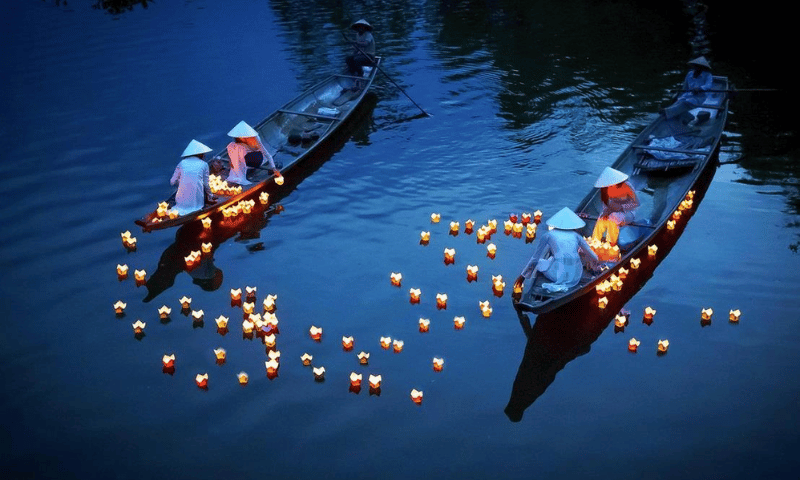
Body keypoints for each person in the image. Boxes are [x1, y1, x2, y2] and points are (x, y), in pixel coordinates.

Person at [514, 207, 600, 293]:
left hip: (557, 275)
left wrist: (522, 277)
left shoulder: (548, 235)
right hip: (575, 276)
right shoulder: (576, 236)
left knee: (540, 262)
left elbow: (535, 258)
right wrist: (595, 264)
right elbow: (594, 256)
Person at [591, 167, 639, 245]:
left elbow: (636, 203)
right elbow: (606, 205)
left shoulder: (626, 186)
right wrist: (607, 211)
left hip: (627, 213)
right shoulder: (605, 188)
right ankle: (595, 241)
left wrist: (621, 207)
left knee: (614, 218)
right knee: (601, 219)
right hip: (611, 211)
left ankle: (611, 243)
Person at [225, 120, 280, 185]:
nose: (240, 137)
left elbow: (267, 154)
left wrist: (273, 168)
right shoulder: (238, 140)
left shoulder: (255, 139)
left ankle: (245, 171)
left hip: (256, 156)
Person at [170, 139, 214, 215]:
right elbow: (206, 184)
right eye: (203, 154)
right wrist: (211, 195)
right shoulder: (204, 164)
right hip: (196, 203)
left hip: (180, 202)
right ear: (200, 154)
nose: (204, 156)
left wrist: (180, 183)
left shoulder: (182, 163)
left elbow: (172, 182)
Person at [662, 56, 713, 120]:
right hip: (688, 95)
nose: (696, 68)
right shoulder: (690, 74)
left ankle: (666, 112)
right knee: (678, 102)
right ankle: (689, 117)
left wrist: (700, 88)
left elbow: (708, 86)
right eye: (695, 66)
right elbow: (685, 86)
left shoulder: (708, 75)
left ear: (702, 67)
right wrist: (679, 94)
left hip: (699, 97)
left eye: (698, 66)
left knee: (685, 103)